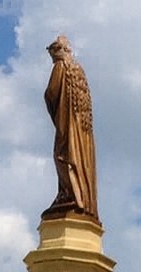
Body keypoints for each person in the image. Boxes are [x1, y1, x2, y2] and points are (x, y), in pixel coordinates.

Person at [42, 35, 99, 220]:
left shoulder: (61, 66)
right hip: (82, 130)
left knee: (63, 155)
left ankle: (71, 196)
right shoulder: (78, 70)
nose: (52, 58)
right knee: (81, 160)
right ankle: (82, 197)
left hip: (68, 125)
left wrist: (52, 105)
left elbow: (51, 93)